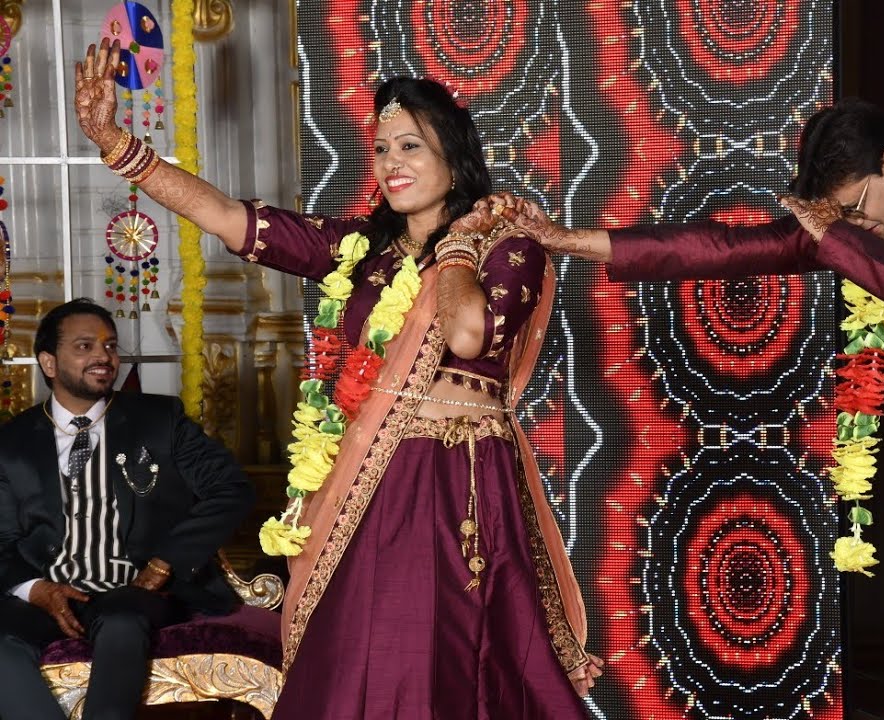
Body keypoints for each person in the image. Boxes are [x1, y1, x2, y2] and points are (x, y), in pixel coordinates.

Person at [495, 97, 884, 719]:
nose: (854, 230)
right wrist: (563, 240)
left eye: (857, 210)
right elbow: (726, 248)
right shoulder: (874, 229)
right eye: (843, 220)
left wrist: (834, 236)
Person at [73, 38, 601, 719]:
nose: (391, 165)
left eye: (410, 146)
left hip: (457, 484)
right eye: (382, 150)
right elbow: (234, 220)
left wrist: (461, 242)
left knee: (457, 657)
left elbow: (468, 332)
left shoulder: (510, 245)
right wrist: (119, 144)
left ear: (452, 153)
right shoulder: (359, 250)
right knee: (360, 652)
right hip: (367, 485)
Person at [0, 299, 254, 720]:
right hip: (50, 593)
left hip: (135, 591)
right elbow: (3, 540)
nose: (103, 356)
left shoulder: (159, 419)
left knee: (121, 621)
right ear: (49, 362)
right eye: (84, 346)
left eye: (110, 346)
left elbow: (231, 488)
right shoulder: (12, 443)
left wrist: (165, 562)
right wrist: (36, 589)